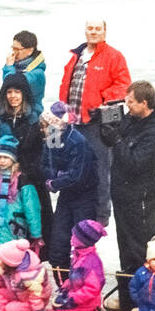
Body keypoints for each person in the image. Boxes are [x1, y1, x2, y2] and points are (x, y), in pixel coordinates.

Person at [102, 80, 155, 311]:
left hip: (141, 197)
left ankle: (146, 302)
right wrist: (107, 127)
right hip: (122, 194)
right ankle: (128, 298)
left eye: (131, 102)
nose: (127, 106)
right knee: (125, 248)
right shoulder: (133, 120)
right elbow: (115, 141)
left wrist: (117, 141)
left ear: (144, 103)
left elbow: (135, 164)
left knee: (141, 249)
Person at [58, 19, 130, 225]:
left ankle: (101, 217)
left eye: (98, 29)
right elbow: (66, 85)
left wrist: (102, 100)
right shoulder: (77, 55)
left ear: (105, 31)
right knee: (72, 167)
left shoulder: (114, 56)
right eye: (90, 28)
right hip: (73, 122)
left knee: (100, 169)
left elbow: (124, 85)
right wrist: (62, 109)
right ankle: (75, 211)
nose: (93, 32)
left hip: (97, 123)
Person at [0, 72, 50, 248]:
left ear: (24, 93)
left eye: (17, 92)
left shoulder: (36, 119)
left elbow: (45, 152)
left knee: (35, 225)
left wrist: (29, 173)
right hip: (5, 178)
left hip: (30, 179)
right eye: (9, 92)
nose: (13, 96)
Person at [41, 102, 98, 273]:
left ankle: (84, 287)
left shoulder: (77, 141)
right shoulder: (53, 137)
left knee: (82, 245)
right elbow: (46, 164)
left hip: (85, 197)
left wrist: (54, 183)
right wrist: (55, 176)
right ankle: (64, 287)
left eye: (45, 125)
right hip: (66, 196)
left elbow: (77, 176)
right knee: (57, 247)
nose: (42, 129)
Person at [0, 134, 42, 255]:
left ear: (13, 158)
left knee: (14, 268)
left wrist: (36, 234)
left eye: (5, 157)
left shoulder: (21, 180)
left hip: (13, 233)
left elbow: (32, 209)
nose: (1, 161)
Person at [49, 218, 109, 311]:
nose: (71, 238)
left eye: (74, 236)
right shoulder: (79, 255)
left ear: (83, 240)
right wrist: (68, 285)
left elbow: (92, 289)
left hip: (86, 302)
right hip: (78, 298)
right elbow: (78, 278)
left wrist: (72, 298)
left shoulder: (91, 262)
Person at [0, 238, 54, 311]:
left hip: (30, 300)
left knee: (10, 310)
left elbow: (36, 295)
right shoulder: (4, 268)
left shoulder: (30, 276)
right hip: (15, 293)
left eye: (0, 258)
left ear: (9, 262)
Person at [3, 30, 45, 113]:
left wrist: (8, 67)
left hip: (30, 115)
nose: (14, 53)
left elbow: (13, 83)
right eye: (13, 48)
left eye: (17, 49)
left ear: (30, 50)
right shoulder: (16, 66)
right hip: (13, 112)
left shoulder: (37, 72)